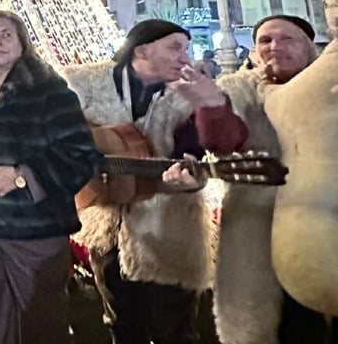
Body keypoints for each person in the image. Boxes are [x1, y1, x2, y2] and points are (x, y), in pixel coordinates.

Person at [63, 18, 247, 344]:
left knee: (174, 329)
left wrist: (208, 111)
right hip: (107, 228)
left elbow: (207, 146)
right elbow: (56, 134)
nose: (185, 57)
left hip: (170, 230)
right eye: (174, 47)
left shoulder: (188, 94)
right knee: (122, 325)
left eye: (186, 49)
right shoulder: (83, 84)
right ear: (143, 49)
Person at [196, 14, 338, 344]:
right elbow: (223, 142)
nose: (275, 47)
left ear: (310, 47)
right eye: (265, 41)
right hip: (263, 228)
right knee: (289, 325)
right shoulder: (241, 92)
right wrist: (210, 105)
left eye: (287, 39)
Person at [0, 8, 99, 344]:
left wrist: (22, 177)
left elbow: (81, 156)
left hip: (31, 230)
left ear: (21, 43)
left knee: (42, 321)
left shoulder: (47, 89)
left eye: (6, 35)